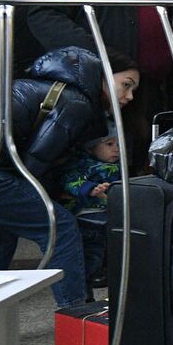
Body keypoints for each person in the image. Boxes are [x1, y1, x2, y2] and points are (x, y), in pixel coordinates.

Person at [0, 48, 139, 307]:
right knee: (59, 226)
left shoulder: (49, 87)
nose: (129, 96)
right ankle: (76, 313)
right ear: (103, 75)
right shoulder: (76, 101)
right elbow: (36, 161)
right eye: (126, 85)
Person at [29, 0, 173, 163]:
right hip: (104, 89)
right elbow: (42, 14)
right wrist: (96, 53)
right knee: (107, 166)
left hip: (146, 90)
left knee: (141, 161)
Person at [60, 124, 121, 290]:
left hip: (107, 217)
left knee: (102, 251)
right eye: (109, 144)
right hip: (87, 217)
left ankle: (96, 274)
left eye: (118, 144)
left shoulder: (118, 167)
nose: (116, 149)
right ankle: (85, 283)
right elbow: (70, 181)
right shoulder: (83, 165)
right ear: (91, 148)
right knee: (91, 253)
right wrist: (89, 189)